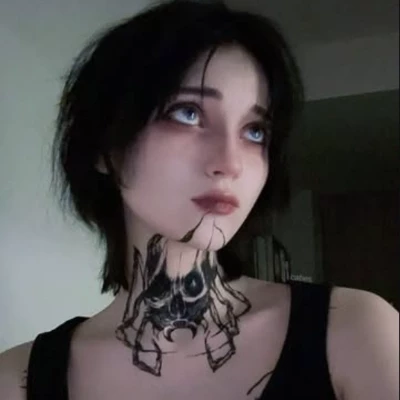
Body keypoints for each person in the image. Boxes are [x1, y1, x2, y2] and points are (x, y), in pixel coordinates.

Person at [0, 0, 398, 399]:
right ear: (107, 146)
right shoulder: (17, 380)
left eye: (255, 131)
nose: (231, 163)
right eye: (187, 113)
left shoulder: (355, 333)